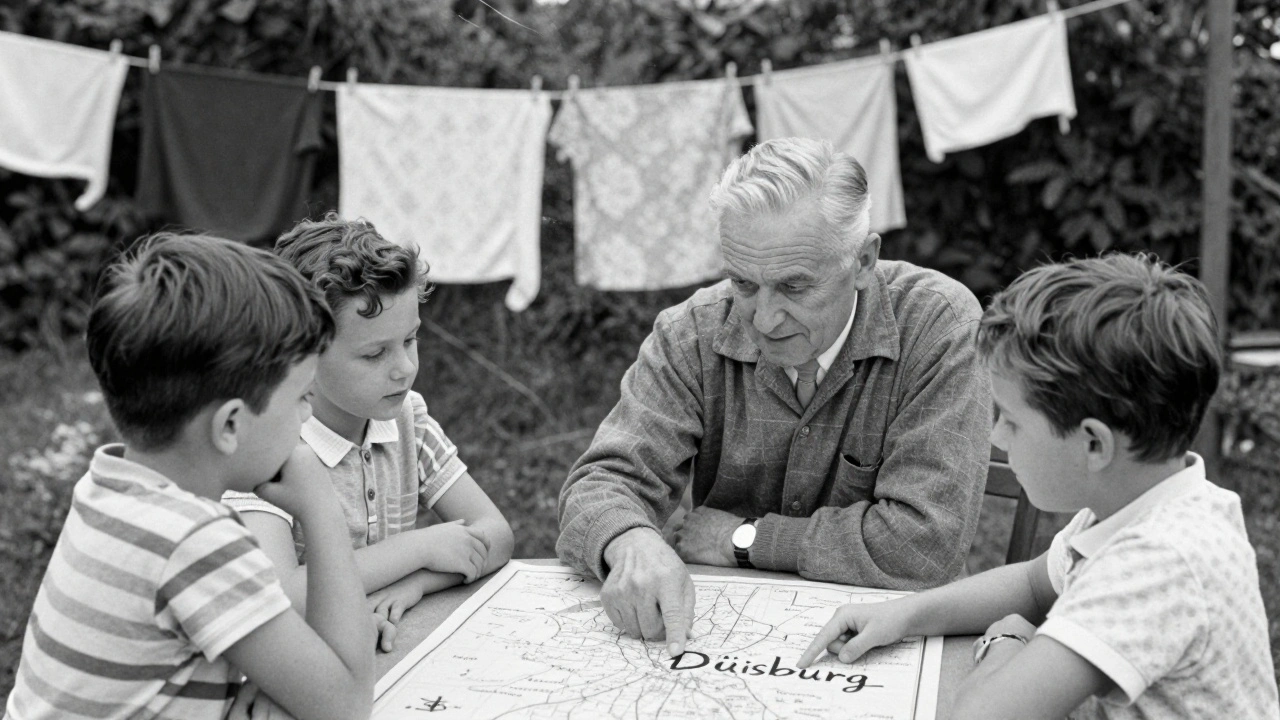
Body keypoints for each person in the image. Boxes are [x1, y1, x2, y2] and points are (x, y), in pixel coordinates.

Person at [557, 137, 993, 657]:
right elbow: (600, 485)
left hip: (893, 643)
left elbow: (924, 548)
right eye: (743, 283)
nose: (763, 319)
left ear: (863, 261)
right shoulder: (691, 333)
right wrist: (629, 542)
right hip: (726, 642)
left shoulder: (938, 325)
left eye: (793, 287)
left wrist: (744, 540)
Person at [798, 254, 1280, 719]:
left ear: (1094, 444)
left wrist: (1009, 642)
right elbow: (1033, 584)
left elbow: (980, 715)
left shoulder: (1159, 562)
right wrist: (901, 615)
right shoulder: (1138, 504)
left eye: (1011, 419)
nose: (996, 436)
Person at [4, 234, 374, 720]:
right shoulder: (197, 543)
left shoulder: (107, 486)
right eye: (302, 396)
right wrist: (321, 506)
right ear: (230, 425)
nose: (307, 415)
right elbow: (345, 706)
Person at [224, 213, 514, 653]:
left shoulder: (408, 421)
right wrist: (417, 549)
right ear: (301, 354)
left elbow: (495, 533)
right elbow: (278, 596)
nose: (405, 368)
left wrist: (417, 582)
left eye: (411, 340)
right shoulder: (266, 449)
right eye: (374, 353)